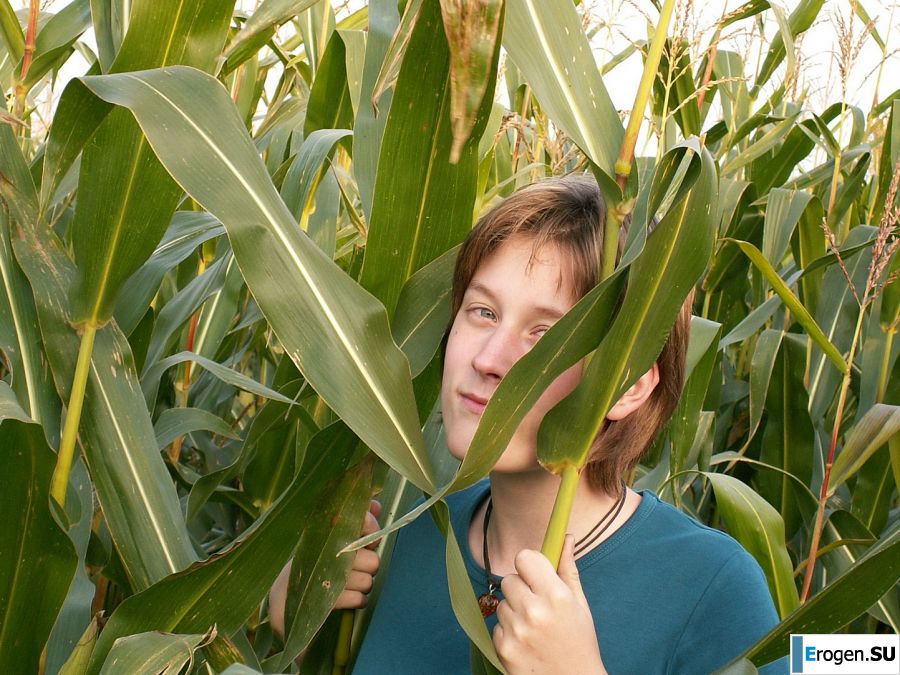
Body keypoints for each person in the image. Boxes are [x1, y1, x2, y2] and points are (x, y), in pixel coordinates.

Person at [275, 175, 787, 674]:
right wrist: (299, 624)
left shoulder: (711, 588)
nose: (489, 359)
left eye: (547, 336)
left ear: (628, 384)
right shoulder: (399, 533)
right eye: (482, 311)